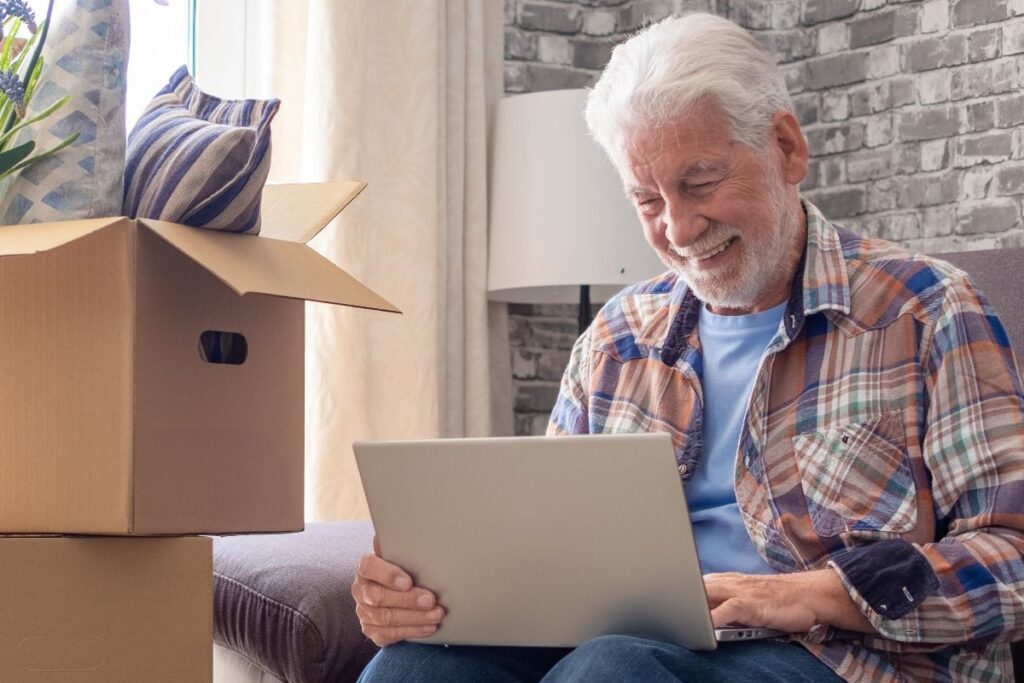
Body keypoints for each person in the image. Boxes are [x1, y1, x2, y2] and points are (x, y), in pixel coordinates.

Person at [353, 12, 1024, 682]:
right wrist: (418, 595)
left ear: (787, 149)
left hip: (838, 654)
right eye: (647, 200)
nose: (678, 227)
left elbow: (1011, 553)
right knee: (407, 667)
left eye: (701, 184)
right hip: (633, 644)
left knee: (610, 670)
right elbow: (551, 548)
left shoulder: (927, 309)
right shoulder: (616, 339)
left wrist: (812, 592)